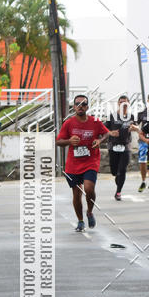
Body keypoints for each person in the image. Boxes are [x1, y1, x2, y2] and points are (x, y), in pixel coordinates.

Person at [56, 95, 110, 232]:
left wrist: (99, 141)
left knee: (89, 188)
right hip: (73, 164)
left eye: (83, 104)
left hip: (90, 161)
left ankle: (90, 211)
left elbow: (106, 133)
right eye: (77, 104)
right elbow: (58, 142)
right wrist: (69, 141)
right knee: (76, 193)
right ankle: (80, 221)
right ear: (74, 107)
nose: (80, 106)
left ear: (87, 107)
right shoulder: (68, 123)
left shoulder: (95, 121)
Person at [104, 94, 135, 200]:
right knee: (115, 171)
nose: (123, 104)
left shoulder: (131, 117)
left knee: (122, 170)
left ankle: (118, 192)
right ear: (118, 103)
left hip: (126, 146)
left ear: (129, 104)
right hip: (113, 146)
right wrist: (111, 132)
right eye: (121, 102)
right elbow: (103, 128)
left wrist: (134, 128)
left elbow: (135, 127)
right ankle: (118, 177)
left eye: (125, 102)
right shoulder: (112, 116)